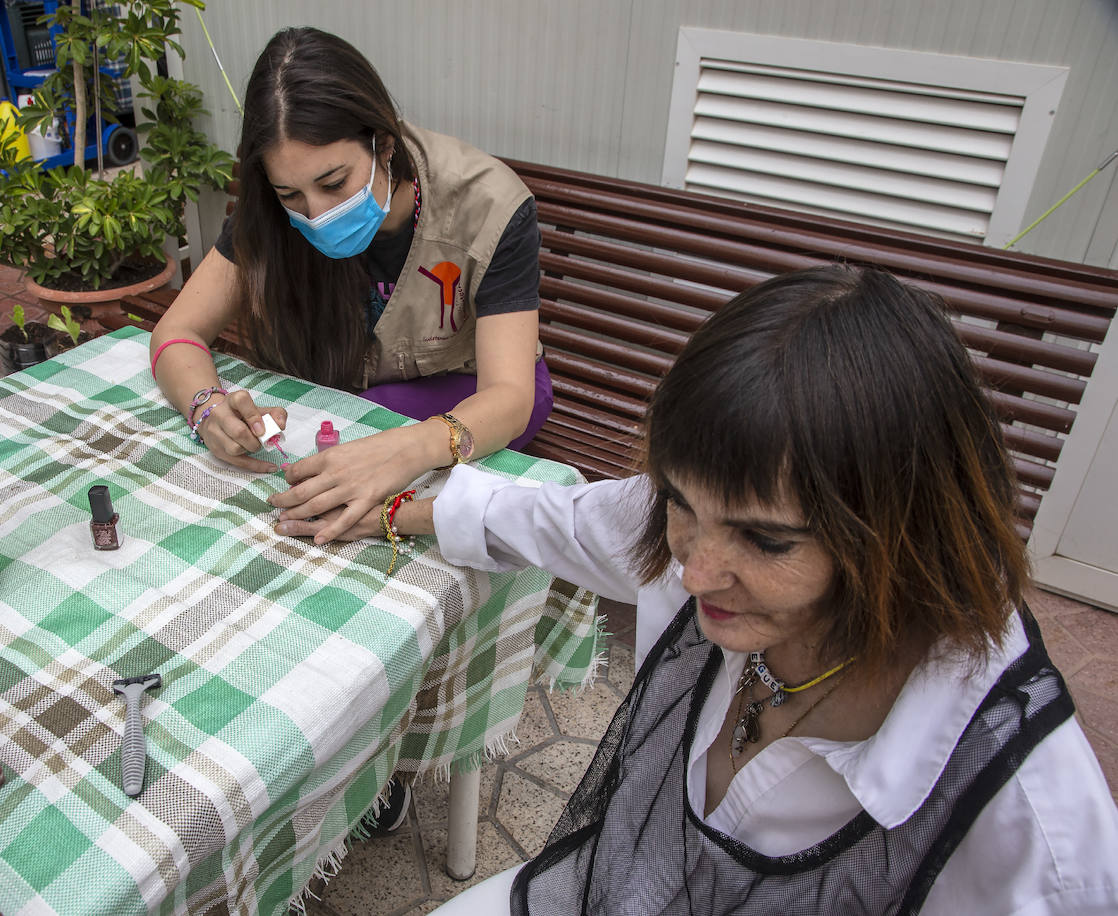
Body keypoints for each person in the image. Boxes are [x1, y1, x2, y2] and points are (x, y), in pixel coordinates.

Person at [279, 266, 1118, 913]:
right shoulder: (697, 535)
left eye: (767, 539)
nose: (694, 571)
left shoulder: (1029, 819)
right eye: (681, 502)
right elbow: (548, 520)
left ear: (906, 532)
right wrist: (387, 507)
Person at [151, 26, 551, 552]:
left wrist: (402, 452)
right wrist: (205, 406)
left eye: (335, 183)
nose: (316, 215)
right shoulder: (269, 217)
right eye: (290, 194)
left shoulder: (488, 206)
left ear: (383, 144)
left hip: (463, 394)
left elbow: (511, 396)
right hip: (334, 399)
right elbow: (177, 332)